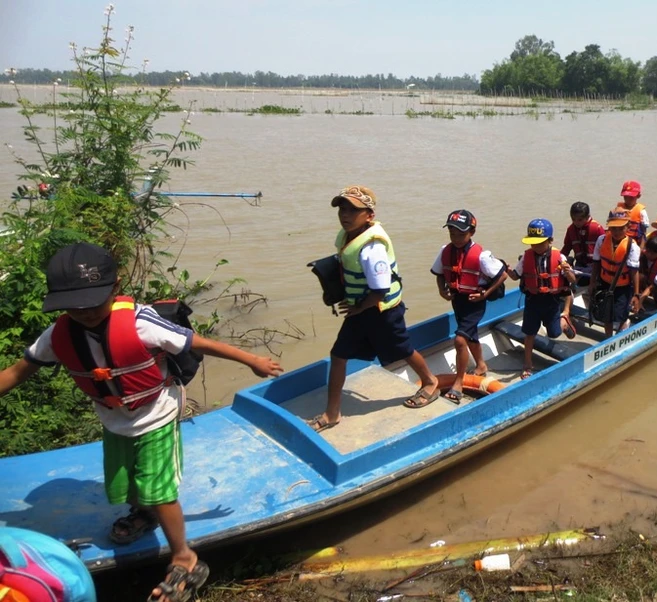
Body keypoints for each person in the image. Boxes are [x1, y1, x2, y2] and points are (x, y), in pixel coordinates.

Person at [0, 242, 284, 602]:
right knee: (123, 485)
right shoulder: (57, 336)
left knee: (158, 488)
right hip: (115, 417)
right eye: (74, 305)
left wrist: (251, 360)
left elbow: (197, 342)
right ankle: (144, 513)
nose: (85, 312)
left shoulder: (140, 322)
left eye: (93, 301)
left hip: (157, 411)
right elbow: (17, 372)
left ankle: (186, 556)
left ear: (115, 288)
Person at [315, 186, 442, 428]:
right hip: (360, 308)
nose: (345, 215)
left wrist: (359, 307)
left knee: (402, 349)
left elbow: (381, 289)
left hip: (382, 310)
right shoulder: (347, 237)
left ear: (369, 215)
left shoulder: (373, 248)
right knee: (338, 354)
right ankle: (333, 412)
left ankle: (430, 381)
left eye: (353, 210)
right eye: (342, 208)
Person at [431, 209, 507, 402]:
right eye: (452, 233)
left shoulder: (481, 256)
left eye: (461, 234)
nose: (456, 238)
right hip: (458, 300)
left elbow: (502, 275)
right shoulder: (445, 251)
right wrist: (442, 290)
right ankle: (481, 365)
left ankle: (458, 383)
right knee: (470, 336)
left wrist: (485, 294)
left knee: (460, 340)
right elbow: (439, 273)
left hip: (475, 303)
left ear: (471, 232)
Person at [506, 219, 577, 379]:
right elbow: (515, 276)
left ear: (550, 241)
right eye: (533, 243)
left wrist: (567, 271)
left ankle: (564, 321)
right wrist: (508, 271)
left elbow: (573, 280)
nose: (535, 247)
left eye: (539, 243)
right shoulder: (526, 257)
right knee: (529, 333)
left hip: (552, 302)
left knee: (554, 333)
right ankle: (527, 364)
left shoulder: (560, 257)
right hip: (532, 301)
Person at [590, 210, 641, 335]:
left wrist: (636, 294)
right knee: (607, 316)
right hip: (604, 282)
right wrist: (592, 283)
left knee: (620, 314)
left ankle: (624, 325)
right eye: (613, 228)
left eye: (620, 228)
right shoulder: (601, 240)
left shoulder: (632, 247)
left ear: (628, 227)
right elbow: (596, 263)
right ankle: (608, 339)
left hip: (622, 287)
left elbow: (634, 272)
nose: (616, 232)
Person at [560, 201, 605, 285]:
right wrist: (558, 259)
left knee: (584, 280)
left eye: (580, 220)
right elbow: (566, 248)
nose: (576, 222)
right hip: (579, 264)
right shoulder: (571, 229)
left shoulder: (597, 228)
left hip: (594, 264)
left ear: (587, 217)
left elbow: (605, 248)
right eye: (573, 219)